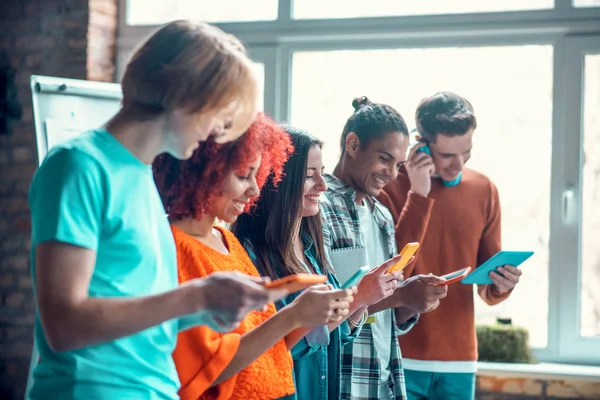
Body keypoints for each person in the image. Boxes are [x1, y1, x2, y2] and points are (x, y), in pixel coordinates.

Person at [28, 20, 274, 400]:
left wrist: (208, 311)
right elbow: (63, 325)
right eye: (219, 115)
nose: (216, 134)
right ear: (185, 98)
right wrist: (198, 297)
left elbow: (138, 315)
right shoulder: (78, 165)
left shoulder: (141, 176)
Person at [153, 114, 355, 399]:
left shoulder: (228, 241)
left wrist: (305, 318)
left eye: (256, 175)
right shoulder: (172, 247)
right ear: (205, 171)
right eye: (243, 175)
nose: (256, 189)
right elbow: (206, 370)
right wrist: (294, 315)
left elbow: (269, 347)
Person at [233, 125, 406, 399]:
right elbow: (267, 351)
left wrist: (360, 302)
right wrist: (357, 297)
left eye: (322, 173)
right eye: (309, 176)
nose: (323, 186)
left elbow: (334, 338)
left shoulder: (311, 249)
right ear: (278, 180)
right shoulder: (249, 257)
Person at [378, 92, 523, 400]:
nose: (458, 165)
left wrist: (501, 285)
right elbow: (392, 272)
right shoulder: (390, 186)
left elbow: (487, 283)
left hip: (459, 361)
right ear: (422, 144)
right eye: (447, 156)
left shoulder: (484, 190)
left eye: (466, 153)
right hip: (398, 354)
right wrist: (419, 194)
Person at [320, 96, 448, 400]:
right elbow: (323, 311)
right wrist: (401, 295)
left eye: (398, 164)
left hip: (384, 381)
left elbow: (385, 309)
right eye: (384, 159)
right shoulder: (318, 209)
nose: (392, 173)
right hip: (342, 382)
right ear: (352, 145)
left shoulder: (382, 216)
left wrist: (411, 303)